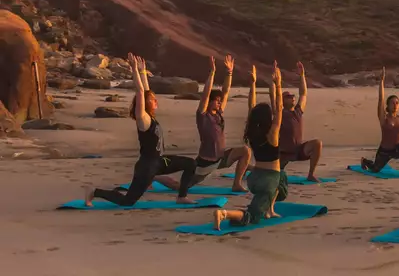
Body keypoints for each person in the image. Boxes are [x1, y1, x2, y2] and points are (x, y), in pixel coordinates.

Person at [84, 53, 198, 206]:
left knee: (190, 164)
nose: (156, 100)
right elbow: (140, 92)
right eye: (152, 100)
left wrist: (143, 71)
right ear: (143, 104)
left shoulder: (151, 117)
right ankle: (95, 192)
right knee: (128, 201)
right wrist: (134, 70)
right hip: (147, 166)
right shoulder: (143, 119)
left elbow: (146, 91)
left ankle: (181, 197)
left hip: (160, 161)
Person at [154, 56, 252, 195]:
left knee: (245, 151)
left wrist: (229, 72)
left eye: (219, 101)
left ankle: (236, 184)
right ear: (210, 102)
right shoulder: (203, 116)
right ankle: (154, 176)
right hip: (205, 162)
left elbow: (225, 92)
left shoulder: (218, 114)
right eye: (216, 101)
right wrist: (212, 72)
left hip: (221, 157)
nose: (219, 103)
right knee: (179, 186)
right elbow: (205, 95)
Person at [214, 63, 288, 230]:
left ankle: (270, 209)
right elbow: (280, 108)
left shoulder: (253, 132)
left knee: (282, 177)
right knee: (253, 216)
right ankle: (224, 214)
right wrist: (278, 85)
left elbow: (251, 107)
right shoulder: (273, 134)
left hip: (254, 179)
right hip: (268, 181)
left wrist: (253, 83)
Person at [361, 67, 399, 176]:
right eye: (392, 103)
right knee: (375, 169)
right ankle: (364, 161)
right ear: (387, 105)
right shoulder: (384, 118)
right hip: (384, 150)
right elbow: (381, 99)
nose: (395, 105)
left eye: (397, 103)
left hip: (397, 150)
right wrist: (382, 81)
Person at [278, 61, 323, 182]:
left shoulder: (298, 111)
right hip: (283, 153)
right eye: (288, 97)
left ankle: (311, 174)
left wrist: (302, 75)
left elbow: (303, 94)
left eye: (292, 96)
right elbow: (275, 98)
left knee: (317, 143)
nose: (292, 97)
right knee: (269, 172)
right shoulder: (280, 113)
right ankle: (249, 168)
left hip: (298, 150)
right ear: (282, 101)